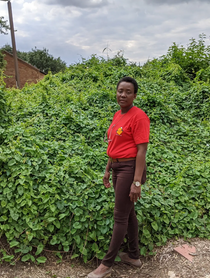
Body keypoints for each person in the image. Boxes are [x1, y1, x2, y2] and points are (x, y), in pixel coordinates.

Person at [87, 76, 150, 278]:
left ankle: (106, 265)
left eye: (128, 92)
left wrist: (137, 182)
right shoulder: (117, 115)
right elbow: (113, 146)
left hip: (130, 170)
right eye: (120, 91)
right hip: (116, 168)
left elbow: (141, 151)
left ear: (135, 95)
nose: (123, 95)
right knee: (129, 214)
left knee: (120, 216)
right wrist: (108, 169)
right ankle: (133, 256)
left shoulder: (139, 116)